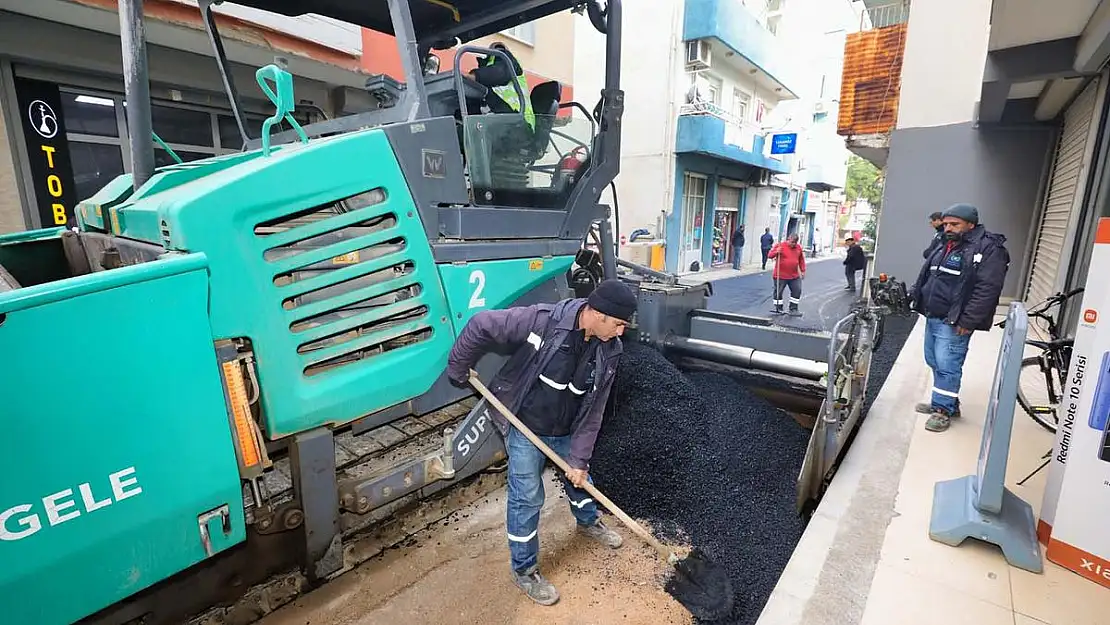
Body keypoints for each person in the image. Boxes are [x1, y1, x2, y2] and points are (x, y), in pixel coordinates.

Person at [446, 279, 635, 606]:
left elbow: (596, 410)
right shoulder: (544, 320)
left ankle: (589, 522)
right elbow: (481, 324)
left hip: (566, 427)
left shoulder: (610, 350)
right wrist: (458, 366)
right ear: (598, 314)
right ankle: (524, 569)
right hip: (525, 424)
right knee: (527, 496)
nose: (621, 332)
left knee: (582, 478)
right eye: (618, 324)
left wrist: (578, 459)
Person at [909, 203, 1010, 433]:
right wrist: (915, 295)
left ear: (970, 224)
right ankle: (945, 402)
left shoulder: (988, 249)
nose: (948, 228)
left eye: (955, 224)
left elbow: (988, 289)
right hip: (933, 315)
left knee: (948, 364)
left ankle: (942, 411)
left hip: (954, 321)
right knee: (934, 360)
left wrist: (968, 320)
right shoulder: (945, 244)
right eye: (946, 224)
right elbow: (928, 275)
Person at [468, 41, 535, 132]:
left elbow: (499, 72)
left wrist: (473, 76)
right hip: (507, 120)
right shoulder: (490, 74)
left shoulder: (507, 61)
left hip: (519, 123)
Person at [769, 233, 806, 315]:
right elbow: (770, 255)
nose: (793, 244)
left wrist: (803, 271)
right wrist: (776, 252)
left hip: (794, 275)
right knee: (778, 292)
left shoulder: (798, 248)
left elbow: (801, 260)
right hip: (780, 275)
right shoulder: (780, 246)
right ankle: (779, 308)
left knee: (797, 290)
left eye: (795, 243)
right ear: (788, 239)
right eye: (792, 242)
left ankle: (793, 309)